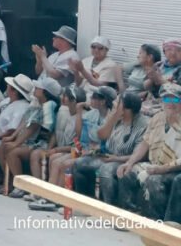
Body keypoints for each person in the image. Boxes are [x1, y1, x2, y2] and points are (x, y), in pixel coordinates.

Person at [117, 83, 181, 222]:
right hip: (155, 164)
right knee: (127, 172)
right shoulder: (157, 118)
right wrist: (130, 162)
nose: (170, 103)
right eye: (166, 99)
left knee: (154, 180)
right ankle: (129, 214)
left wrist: (161, 169)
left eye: (175, 99)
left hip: (174, 169)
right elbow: (145, 143)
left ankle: (155, 222)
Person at [73, 91, 147, 205]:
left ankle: (109, 210)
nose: (113, 103)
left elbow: (139, 156)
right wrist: (113, 117)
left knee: (106, 170)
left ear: (126, 108)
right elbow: (101, 135)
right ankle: (85, 204)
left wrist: (115, 159)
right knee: (79, 163)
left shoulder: (143, 125)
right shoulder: (116, 117)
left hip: (125, 161)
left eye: (118, 102)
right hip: (108, 156)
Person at [0, 77, 61, 198]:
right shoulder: (36, 102)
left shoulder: (48, 106)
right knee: (2, 147)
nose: (35, 88)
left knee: (13, 152)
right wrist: (13, 137)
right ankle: (11, 181)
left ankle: (22, 186)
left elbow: (33, 126)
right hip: (31, 140)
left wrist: (16, 143)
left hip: (42, 143)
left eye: (39, 88)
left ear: (45, 92)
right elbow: (25, 121)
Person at [0, 73, 34, 188]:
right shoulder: (6, 102)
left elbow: (11, 131)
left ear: (14, 90)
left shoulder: (22, 107)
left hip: (7, 138)